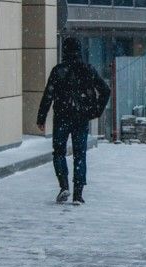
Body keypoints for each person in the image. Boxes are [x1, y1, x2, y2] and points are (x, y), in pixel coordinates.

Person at [37, 37, 110, 205]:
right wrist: (95, 111)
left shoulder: (58, 71)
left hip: (62, 117)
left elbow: (48, 95)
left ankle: (64, 186)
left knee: (59, 152)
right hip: (81, 118)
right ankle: (78, 193)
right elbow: (105, 90)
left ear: (65, 51)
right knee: (80, 154)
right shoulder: (87, 70)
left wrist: (41, 117)